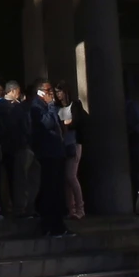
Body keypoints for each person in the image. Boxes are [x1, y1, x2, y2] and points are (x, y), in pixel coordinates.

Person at [29, 81, 69, 237]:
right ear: (40, 92)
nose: (51, 93)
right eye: (48, 90)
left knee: (58, 189)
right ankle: (50, 225)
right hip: (47, 153)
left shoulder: (49, 106)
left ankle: (58, 224)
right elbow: (47, 123)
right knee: (50, 189)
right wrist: (51, 106)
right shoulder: (36, 107)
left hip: (56, 151)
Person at [0, 82, 30, 218]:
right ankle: (16, 207)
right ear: (13, 91)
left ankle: (0, 207)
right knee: (15, 178)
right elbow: (25, 127)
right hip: (14, 147)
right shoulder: (18, 108)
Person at [55, 87, 86, 221]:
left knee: (71, 176)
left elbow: (77, 122)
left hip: (74, 143)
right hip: (63, 144)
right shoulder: (56, 107)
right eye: (56, 92)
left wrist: (66, 123)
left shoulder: (75, 105)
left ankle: (80, 209)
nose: (58, 94)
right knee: (66, 179)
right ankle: (71, 209)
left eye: (60, 91)